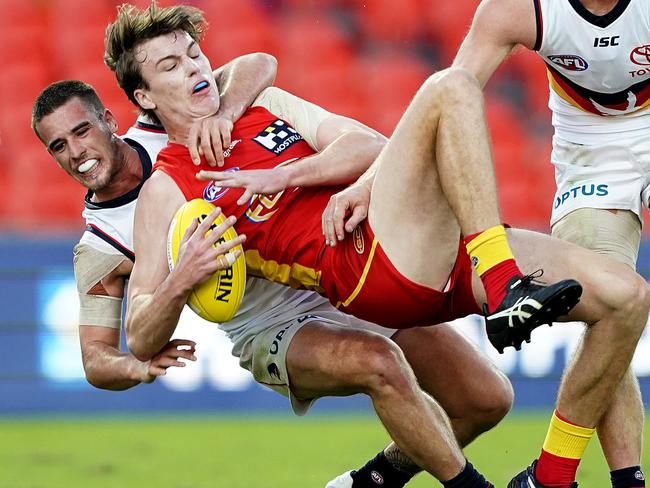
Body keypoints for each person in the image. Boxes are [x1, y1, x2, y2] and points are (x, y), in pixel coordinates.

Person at [104, 3, 650, 487]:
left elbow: (369, 146)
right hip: (365, 268)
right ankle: (503, 281)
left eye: (195, 54)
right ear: (143, 97)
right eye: (170, 66)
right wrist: (183, 277)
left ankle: (550, 477)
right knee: (450, 87)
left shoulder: (263, 104)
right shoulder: (167, 186)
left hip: (435, 247)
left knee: (625, 300)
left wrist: (290, 175)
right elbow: (140, 332)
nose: (194, 68)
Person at [31, 83, 515, 487]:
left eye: (82, 131)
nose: (77, 153)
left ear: (110, 121)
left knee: (485, 399)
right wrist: (139, 360)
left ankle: (373, 481)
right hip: (269, 328)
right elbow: (96, 360)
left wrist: (235, 98)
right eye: (58, 146)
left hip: (333, 276)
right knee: (378, 362)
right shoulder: (99, 245)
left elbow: (257, 64)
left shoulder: (166, 125)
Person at [448, 1, 650, 486]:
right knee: (611, 299)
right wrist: (371, 180)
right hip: (590, 148)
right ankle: (623, 480)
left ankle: (553, 476)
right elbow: (448, 99)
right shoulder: (519, 8)